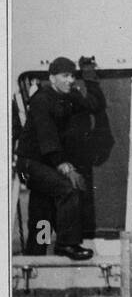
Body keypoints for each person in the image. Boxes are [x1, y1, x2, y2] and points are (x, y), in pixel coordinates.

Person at [16, 58, 102, 260]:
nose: (70, 80)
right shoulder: (41, 100)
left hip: (46, 165)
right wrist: (65, 167)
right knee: (68, 189)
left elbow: (93, 104)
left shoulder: (70, 96)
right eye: (65, 76)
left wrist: (89, 76)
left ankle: (35, 254)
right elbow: (48, 137)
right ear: (52, 78)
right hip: (30, 164)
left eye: (73, 75)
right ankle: (67, 244)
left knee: (41, 209)